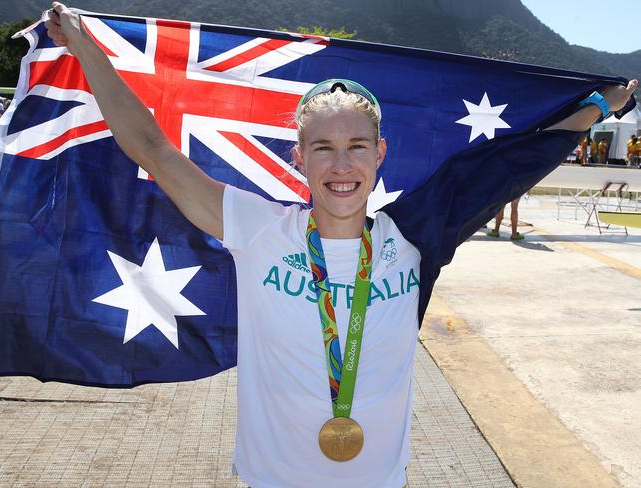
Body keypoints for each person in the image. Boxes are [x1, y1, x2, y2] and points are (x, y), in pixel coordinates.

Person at [45, 3, 637, 487]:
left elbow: (512, 165)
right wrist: (87, 52)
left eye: (358, 145)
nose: (341, 164)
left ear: (380, 155)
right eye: (322, 148)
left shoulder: (412, 237)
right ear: (298, 159)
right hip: (271, 479)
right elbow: (153, 149)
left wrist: (598, 105)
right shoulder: (257, 229)